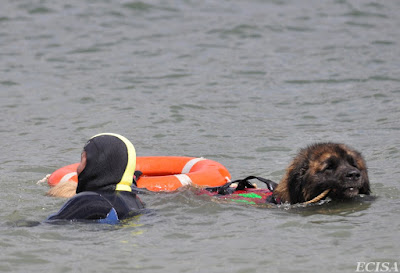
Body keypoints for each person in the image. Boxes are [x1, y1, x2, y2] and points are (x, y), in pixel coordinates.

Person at [47, 133, 145, 224]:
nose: (77, 168)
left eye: (82, 160)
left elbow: (48, 225)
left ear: (94, 164)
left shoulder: (89, 200)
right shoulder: (135, 200)